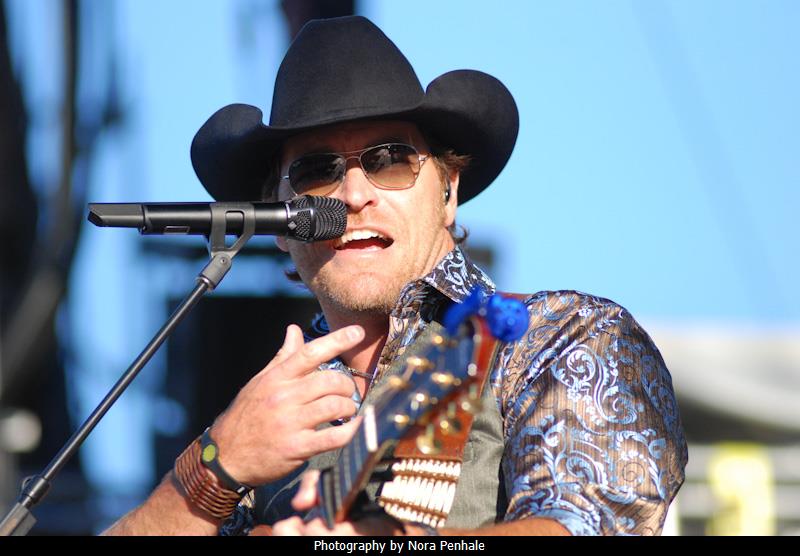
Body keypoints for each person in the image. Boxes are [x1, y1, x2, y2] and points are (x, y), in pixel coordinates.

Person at [104, 15, 687, 536]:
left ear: (448, 190)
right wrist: (214, 466)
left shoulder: (559, 338)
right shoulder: (265, 417)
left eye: (390, 160)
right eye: (316, 172)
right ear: (279, 221)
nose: (354, 194)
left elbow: (584, 525)